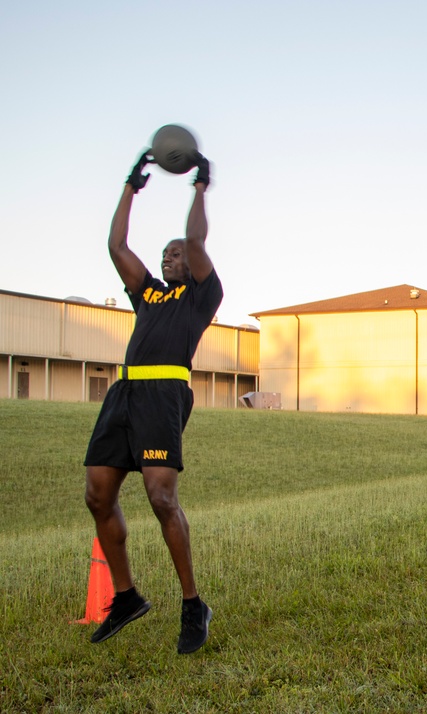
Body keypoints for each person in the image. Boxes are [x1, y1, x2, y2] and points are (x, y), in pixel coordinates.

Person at [83, 148, 222, 654]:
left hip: (164, 396)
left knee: (161, 498)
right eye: (166, 254)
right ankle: (126, 597)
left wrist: (199, 187)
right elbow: (115, 243)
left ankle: (192, 604)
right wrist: (130, 186)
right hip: (124, 393)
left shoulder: (202, 296)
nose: (170, 257)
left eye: (176, 253)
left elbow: (197, 238)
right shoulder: (148, 293)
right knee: (98, 494)